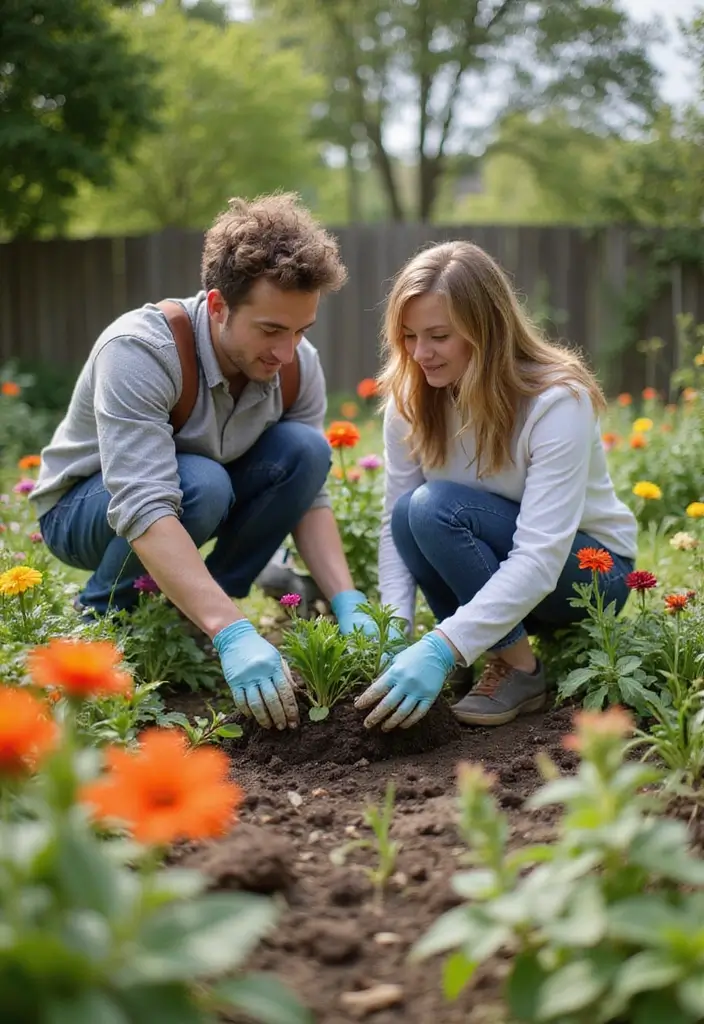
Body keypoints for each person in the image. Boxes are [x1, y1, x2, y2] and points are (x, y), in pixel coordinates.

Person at [31, 193, 377, 732]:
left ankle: (192, 616)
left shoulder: (294, 365)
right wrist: (234, 632)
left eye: (300, 330)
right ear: (218, 306)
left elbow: (308, 494)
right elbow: (144, 502)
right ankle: (103, 621)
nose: (287, 351)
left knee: (307, 452)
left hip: (193, 495)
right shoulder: (141, 350)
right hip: (84, 510)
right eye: (270, 330)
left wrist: (348, 599)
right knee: (201, 482)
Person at [354, 240, 638, 732]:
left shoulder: (555, 402)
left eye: (439, 335)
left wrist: (439, 646)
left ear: (485, 330)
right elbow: (393, 527)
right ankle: (477, 654)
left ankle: (518, 668)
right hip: (499, 569)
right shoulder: (411, 398)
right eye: (408, 336)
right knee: (408, 513)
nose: (420, 353)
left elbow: (540, 557)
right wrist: (395, 638)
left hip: (588, 574)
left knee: (433, 508)